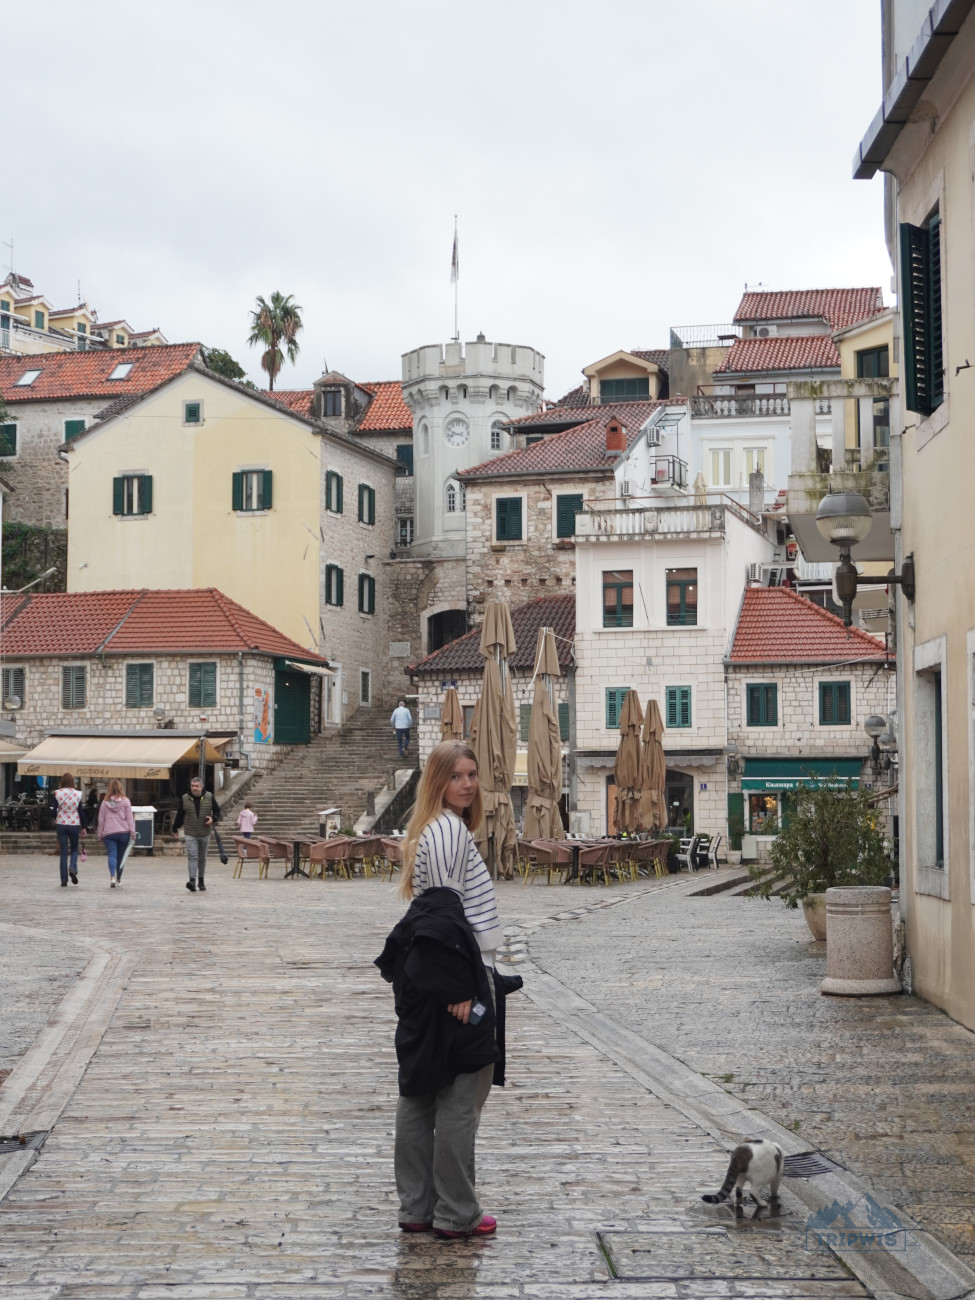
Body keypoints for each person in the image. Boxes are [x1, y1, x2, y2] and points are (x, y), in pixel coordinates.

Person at [375, 740, 508, 1241]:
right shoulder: (451, 832)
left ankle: (417, 1207)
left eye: (472, 775)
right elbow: (445, 913)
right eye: (457, 776)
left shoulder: (430, 830)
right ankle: (457, 1213)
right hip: (456, 972)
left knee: (420, 1090)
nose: (468, 784)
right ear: (437, 781)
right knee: (458, 1095)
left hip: (430, 972)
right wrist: (460, 986)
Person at [173, 776, 220, 893]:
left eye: (196, 786)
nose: (194, 788)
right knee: (192, 857)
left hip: (205, 833)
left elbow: (218, 810)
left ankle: (201, 880)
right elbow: (180, 814)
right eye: (192, 786)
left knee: (202, 858)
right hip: (190, 833)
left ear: (202, 786)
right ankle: (192, 880)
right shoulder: (185, 798)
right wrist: (175, 828)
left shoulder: (209, 796)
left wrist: (213, 819)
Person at [97, 779, 136, 888]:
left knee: (112, 855)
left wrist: (99, 834)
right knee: (121, 857)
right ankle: (119, 879)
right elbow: (130, 819)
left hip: (109, 833)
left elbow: (101, 820)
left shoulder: (104, 803)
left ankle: (112, 877)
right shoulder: (126, 801)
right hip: (123, 832)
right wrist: (133, 833)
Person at [53, 773, 86, 887]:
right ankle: (72, 867)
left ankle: (63, 879)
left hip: (61, 823)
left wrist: (57, 815)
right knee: (75, 849)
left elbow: (53, 811)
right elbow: (81, 812)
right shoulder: (77, 794)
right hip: (74, 823)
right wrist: (84, 827)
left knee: (63, 850)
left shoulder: (58, 793)